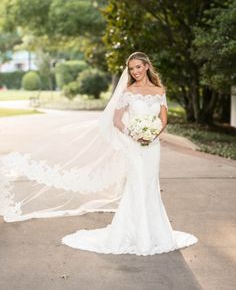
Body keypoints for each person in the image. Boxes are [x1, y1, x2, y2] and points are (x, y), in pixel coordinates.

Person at [0, 52, 197, 256]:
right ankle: (137, 235)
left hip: (153, 146)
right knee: (137, 185)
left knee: (150, 185)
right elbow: (117, 120)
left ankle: (156, 234)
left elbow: (164, 119)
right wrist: (135, 134)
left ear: (147, 66)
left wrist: (153, 134)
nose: (135, 71)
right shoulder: (128, 92)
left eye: (138, 67)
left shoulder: (159, 90)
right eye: (131, 68)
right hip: (134, 146)